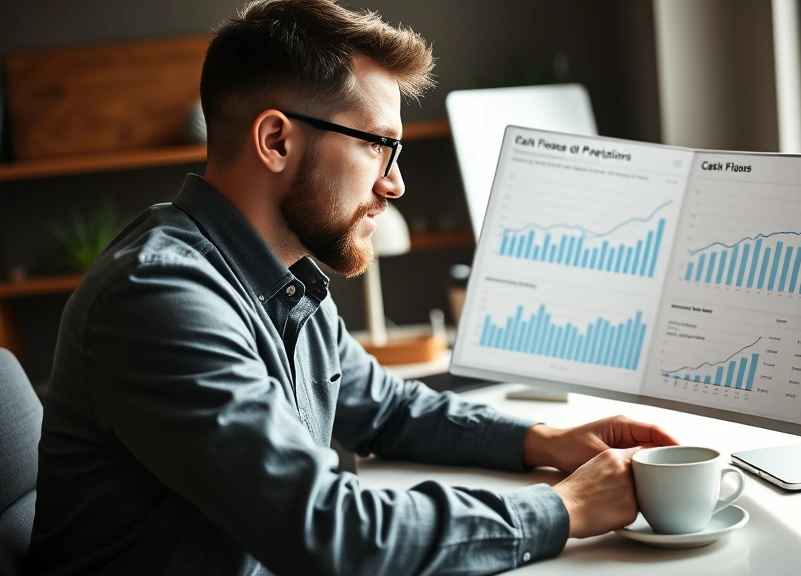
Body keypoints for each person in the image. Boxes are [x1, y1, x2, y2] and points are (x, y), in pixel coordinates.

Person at [23, 1, 677, 574]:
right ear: (276, 140)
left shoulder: (281, 282)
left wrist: (543, 439)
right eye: (376, 146)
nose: (393, 184)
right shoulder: (160, 299)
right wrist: (564, 507)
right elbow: (330, 535)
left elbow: (390, 410)